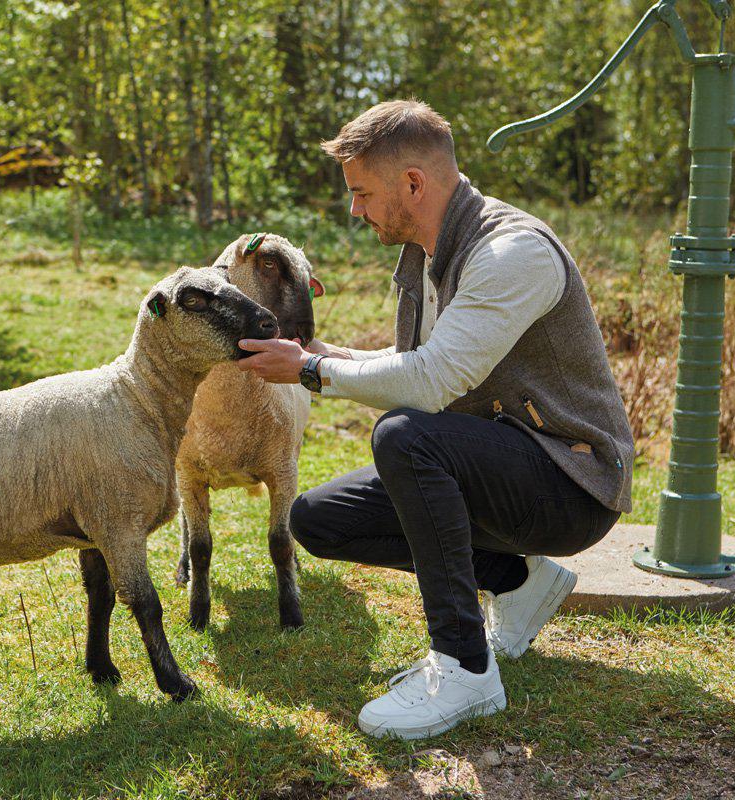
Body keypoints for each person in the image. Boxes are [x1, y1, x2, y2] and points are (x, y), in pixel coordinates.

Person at [236, 99, 633, 740]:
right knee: (317, 519)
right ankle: (518, 580)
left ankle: (465, 667)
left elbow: (432, 381)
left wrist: (311, 375)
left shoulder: (513, 253)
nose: (355, 211)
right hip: (501, 458)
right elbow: (420, 360)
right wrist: (319, 354)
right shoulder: (430, 251)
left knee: (405, 437)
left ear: (413, 183)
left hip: (573, 482)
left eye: (362, 193)